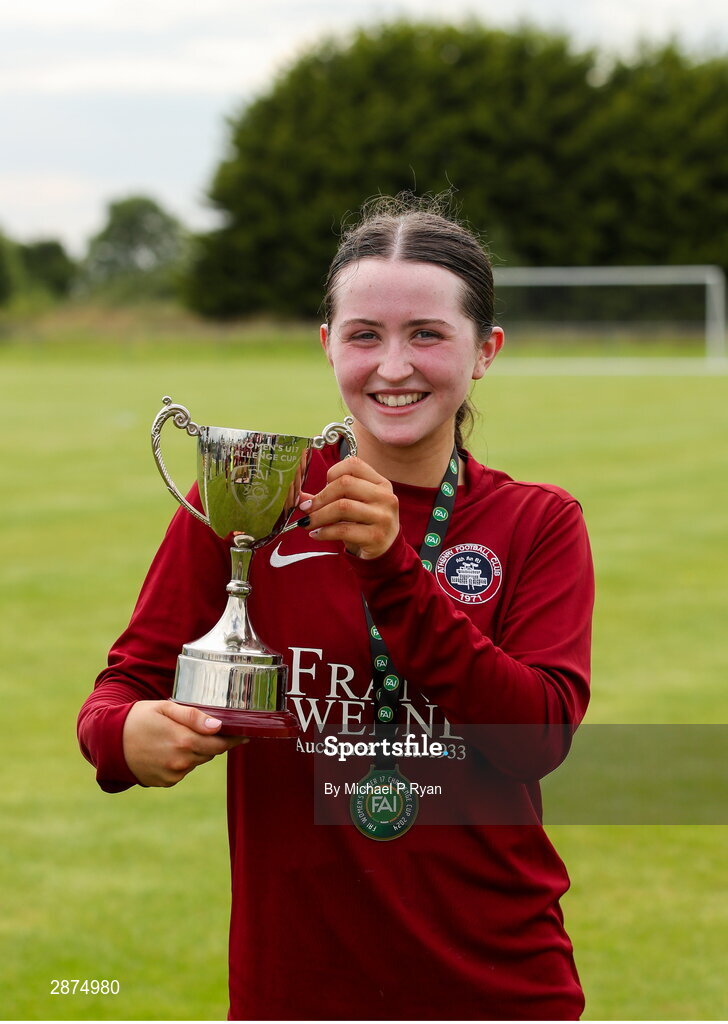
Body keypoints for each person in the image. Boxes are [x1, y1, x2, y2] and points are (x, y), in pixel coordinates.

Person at [78, 194, 594, 1020]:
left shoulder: (536, 522)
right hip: (296, 988)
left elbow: (535, 738)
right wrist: (122, 736)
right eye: (364, 335)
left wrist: (393, 568)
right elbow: (117, 693)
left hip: (497, 984)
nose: (393, 366)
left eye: (427, 334)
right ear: (328, 346)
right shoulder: (247, 495)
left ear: (486, 350)